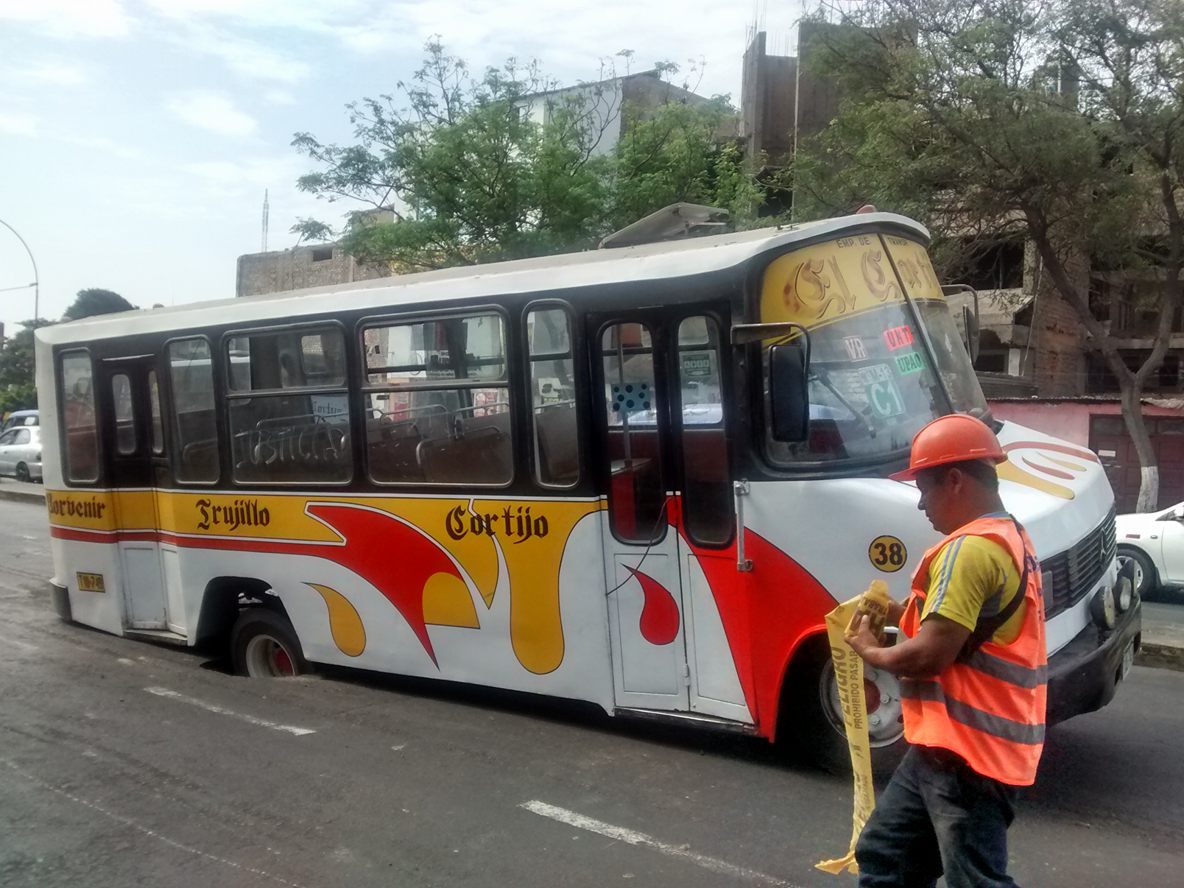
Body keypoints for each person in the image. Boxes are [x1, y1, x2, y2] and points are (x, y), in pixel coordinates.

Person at [846, 414, 1046, 888]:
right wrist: (898, 612)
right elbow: (970, 627)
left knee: (974, 880)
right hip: (947, 748)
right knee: (886, 859)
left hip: (967, 753)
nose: (920, 504)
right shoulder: (1011, 537)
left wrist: (868, 650)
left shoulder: (969, 550)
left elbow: (928, 656)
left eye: (924, 488)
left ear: (955, 480)